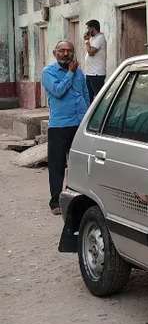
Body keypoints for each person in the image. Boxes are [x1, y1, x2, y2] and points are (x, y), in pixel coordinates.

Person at [41, 40, 90, 215]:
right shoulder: (48, 72)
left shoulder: (79, 72)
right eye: (61, 50)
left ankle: (76, 199)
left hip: (79, 124)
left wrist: (89, 116)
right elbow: (58, 91)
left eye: (69, 50)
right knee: (57, 165)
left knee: (79, 163)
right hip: (60, 126)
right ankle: (55, 202)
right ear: (55, 53)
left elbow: (85, 94)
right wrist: (70, 73)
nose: (66, 53)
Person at [83, 19, 107, 100]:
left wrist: (86, 41)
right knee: (89, 97)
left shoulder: (100, 38)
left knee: (99, 97)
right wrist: (88, 40)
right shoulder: (93, 38)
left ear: (93, 28)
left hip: (97, 74)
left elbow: (91, 52)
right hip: (90, 73)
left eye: (88, 28)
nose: (87, 31)